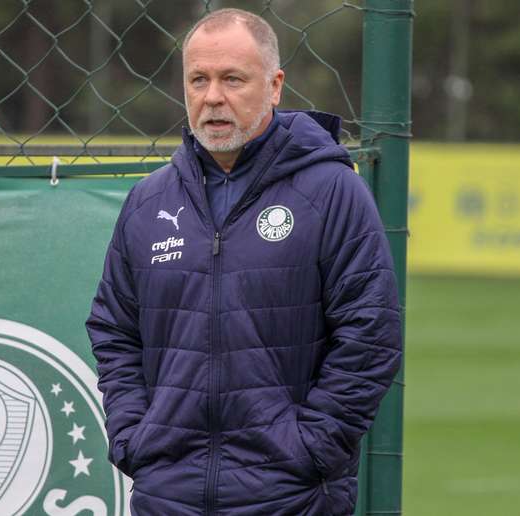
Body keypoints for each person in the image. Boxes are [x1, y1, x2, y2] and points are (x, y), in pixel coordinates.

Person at [86, 8, 402, 516]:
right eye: (198, 79)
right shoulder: (148, 202)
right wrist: (134, 437)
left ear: (275, 86)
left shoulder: (332, 191)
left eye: (232, 78)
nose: (213, 97)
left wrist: (310, 448)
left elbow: (371, 333)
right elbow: (114, 329)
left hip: (291, 496)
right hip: (168, 495)